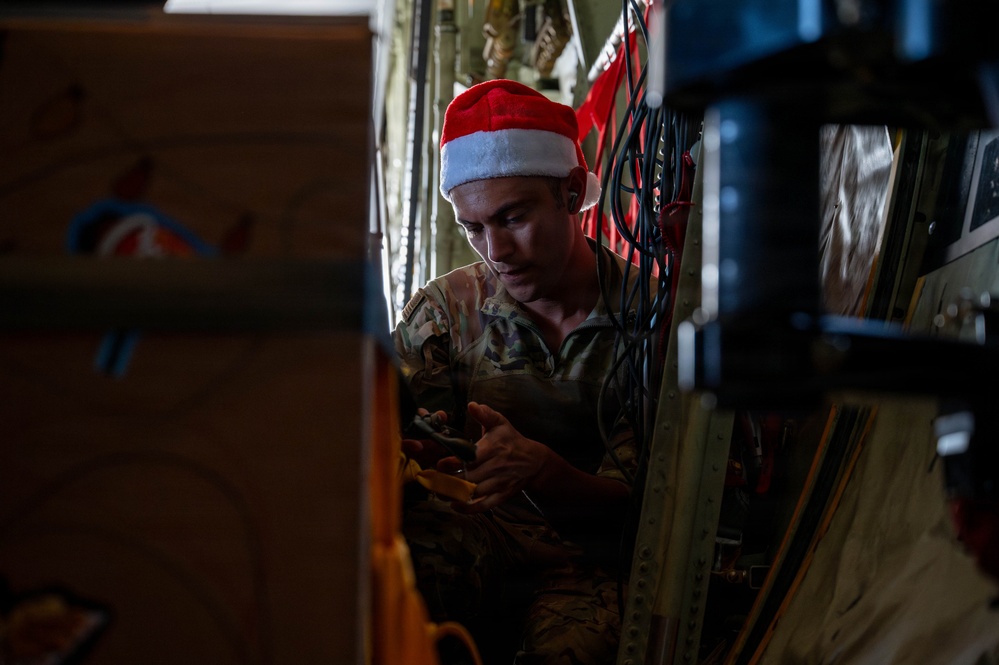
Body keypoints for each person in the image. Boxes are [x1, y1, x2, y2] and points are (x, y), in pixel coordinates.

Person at [393, 78, 650, 665]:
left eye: (512, 217)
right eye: (474, 228)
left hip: (594, 563)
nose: (496, 250)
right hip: (479, 538)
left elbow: (652, 505)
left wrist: (543, 471)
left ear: (568, 192)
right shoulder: (444, 312)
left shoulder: (652, 322)